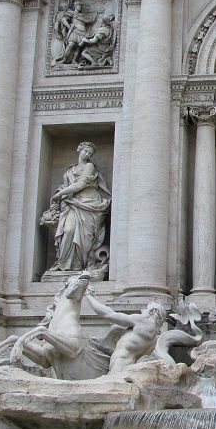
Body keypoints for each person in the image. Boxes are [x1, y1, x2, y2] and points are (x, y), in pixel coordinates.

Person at [44, 141, 111, 272]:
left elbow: (80, 185)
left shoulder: (90, 166)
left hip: (88, 202)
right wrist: (59, 193)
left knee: (85, 236)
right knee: (68, 230)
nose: (87, 154)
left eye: (90, 153)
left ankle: (79, 265)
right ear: (79, 150)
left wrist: (61, 194)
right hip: (71, 203)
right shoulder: (70, 169)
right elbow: (65, 185)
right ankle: (63, 263)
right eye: (85, 151)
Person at [85, 295, 166, 373]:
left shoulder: (143, 321)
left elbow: (109, 314)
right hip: (125, 365)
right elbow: (128, 349)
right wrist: (103, 347)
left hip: (120, 366)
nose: (142, 311)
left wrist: (89, 296)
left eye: (146, 309)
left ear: (152, 311)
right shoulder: (153, 335)